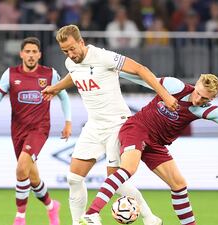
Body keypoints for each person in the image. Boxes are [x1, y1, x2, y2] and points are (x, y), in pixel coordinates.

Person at [79, 73, 218, 225]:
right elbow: (144, 79)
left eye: (205, 98)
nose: (198, 99)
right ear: (196, 84)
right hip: (137, 128)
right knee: (129, 168)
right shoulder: (175, 86)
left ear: (212, 98)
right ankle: (91, 214)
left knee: (179, 185)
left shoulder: (208, 110)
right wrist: (114, 73)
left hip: (156, 144)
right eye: (199, 93)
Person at [41, 24, 178, 225]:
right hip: (94, 126)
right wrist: (55, 88)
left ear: (81, 42)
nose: (70, 54)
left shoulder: (104, 57)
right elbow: (75, 74)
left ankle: (150, 217)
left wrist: (165, 95)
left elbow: (140, 69)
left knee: (117, 185)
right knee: (73, 178)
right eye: (65, 51)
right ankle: (78, 222)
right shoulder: (71, 62)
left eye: (72, 48)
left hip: (117, 125)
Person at [0, 37, 72, 225]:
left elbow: (63, 97)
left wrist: (68, 122)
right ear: (21, 54)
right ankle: (51, 206)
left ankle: (20, 217)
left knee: (21, 168)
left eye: (34, 52)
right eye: (28, 52)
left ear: (39, 55)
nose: (31, 55)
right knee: (32, 177)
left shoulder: (49, 74)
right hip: (17, 130)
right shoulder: (10, 74)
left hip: (39, 129)